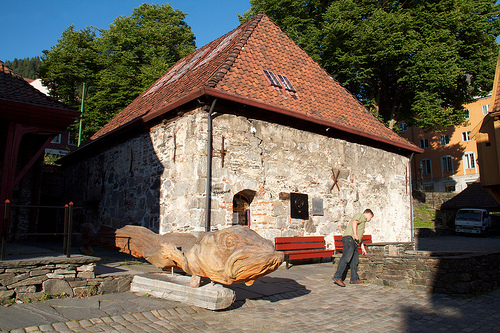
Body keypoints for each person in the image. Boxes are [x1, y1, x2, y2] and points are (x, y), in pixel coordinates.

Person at [333, 209, 374, 287]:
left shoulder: (363, 221)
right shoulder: (361, 216)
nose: (370, 219)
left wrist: (363, 248)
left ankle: (354, 279)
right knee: (346, 258)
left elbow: (360, 236)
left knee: (354, 261)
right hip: (349, 239)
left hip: (354, 242)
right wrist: (355, 234)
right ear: (369, 214)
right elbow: (354, 222)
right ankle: (337, 277)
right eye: (371, 217)